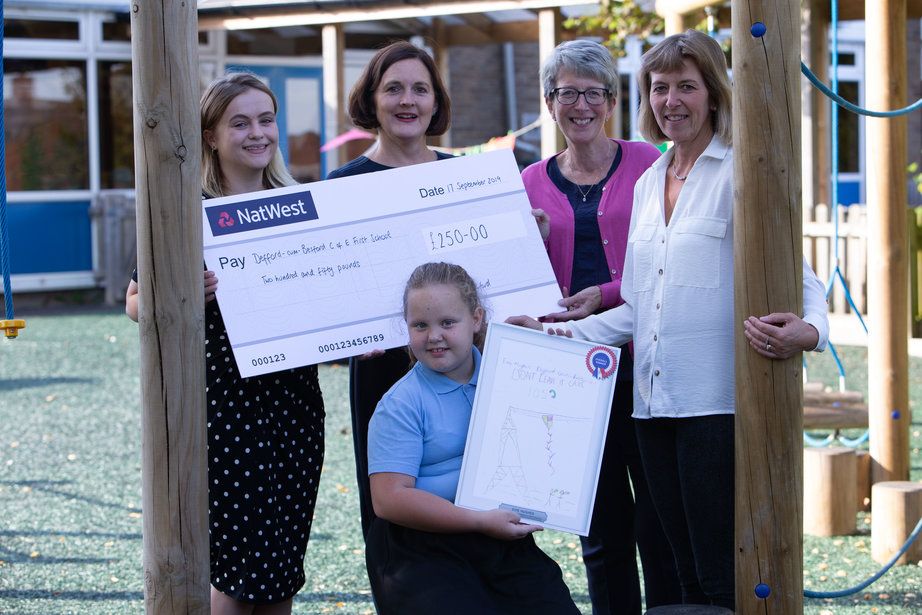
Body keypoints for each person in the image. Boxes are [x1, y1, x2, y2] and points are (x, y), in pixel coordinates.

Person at [510, 30, 829, 610]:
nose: (672, 100)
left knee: (713, 574)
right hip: (651, 407)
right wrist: (553, 333)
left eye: (688, 86)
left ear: (713, 95)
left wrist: (811, 331)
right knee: (680, 568)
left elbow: (802, 274)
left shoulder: (739, 173)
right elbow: (633, 307)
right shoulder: (650, 179)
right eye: (660, 88)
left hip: (713, 406)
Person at [126, 72, 325, 615]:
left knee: (282, 571)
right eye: (240, 123)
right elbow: (135, 302)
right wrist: (185, 296)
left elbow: (327, 297)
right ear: (211, 135)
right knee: (237, 575)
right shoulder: (186, 208)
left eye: (266, 120)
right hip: (223, 409)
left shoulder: (298, 203)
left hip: (295, 407)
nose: (257, 133)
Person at [520, 40, 680, 614]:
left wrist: (607, 296)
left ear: (611, 101)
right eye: (567, 93)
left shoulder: (649, 162)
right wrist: (529, 244)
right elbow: (515, 280)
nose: (580, 105)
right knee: (599, 518)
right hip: (574, 370)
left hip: (647, 363)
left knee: (660, 516)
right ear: (550, 102)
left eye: (594, 93)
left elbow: (667, 255)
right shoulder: (528, 182)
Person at [365, 262, 580, 615]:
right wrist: (478, 520)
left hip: (494, 534)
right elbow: (389, 500)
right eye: (420, 325)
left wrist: (562, 363)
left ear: (476, 319)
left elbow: (562, 423)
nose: (434, 336)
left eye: (448, 323)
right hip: (420, 544)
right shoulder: (400, 403)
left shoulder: (514, 373)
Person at [325, 40, 453, 541]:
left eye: (420, 89)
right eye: (394, 88)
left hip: (464, 367)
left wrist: (527, 233)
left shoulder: (467, 174)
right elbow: (335, 290)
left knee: (470, 487)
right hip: (382, 365)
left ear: (435, 102)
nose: (408, 101)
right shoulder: (342, 184)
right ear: (372, 100)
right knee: (390, 513)